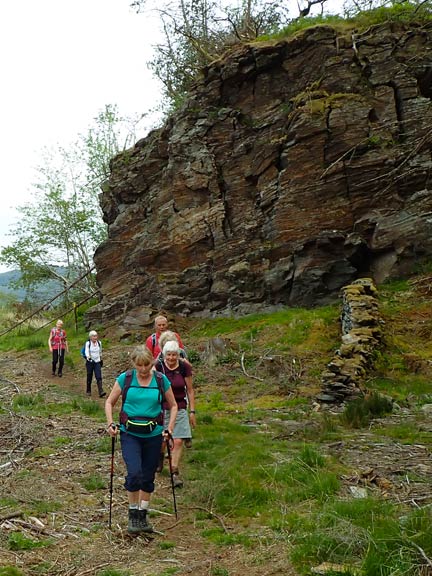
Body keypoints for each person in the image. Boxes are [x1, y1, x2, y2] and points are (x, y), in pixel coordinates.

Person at [105, 345, 178, 534]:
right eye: (140, 366)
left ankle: (142, 514)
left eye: (147, 365)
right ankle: (132, 513)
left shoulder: (161, 381)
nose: (144, 370)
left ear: (152, 363)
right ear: (134, 364)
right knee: (134, 473)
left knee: (148, 475)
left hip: (154, 435)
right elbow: (109, 402)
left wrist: (169, 429)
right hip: (130, 434)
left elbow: (174, 405)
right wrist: (110, 423)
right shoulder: (125, 379)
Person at [155, 340, 196, 488]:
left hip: (179, 406)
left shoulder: (184, 367)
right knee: (163, 440)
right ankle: (159, 456)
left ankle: (174, 472)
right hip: (161, 407)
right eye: (169, 355)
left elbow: (190, 390)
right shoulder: (158, 366)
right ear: (164, 355)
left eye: (174, 355)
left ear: (178, 355)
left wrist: (192, 411)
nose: (171, 358)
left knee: (178, 441)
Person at [84, 330, 106, 398]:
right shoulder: (88, 343)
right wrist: (89, 357)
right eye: (94, 336)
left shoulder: (99, 343)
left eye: (96, 336)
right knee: (89, 375)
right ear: (90, 337)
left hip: (97, 362)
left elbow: (100, 351)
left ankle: (101, 391)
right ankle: (88, 390)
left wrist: (101, 359)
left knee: (98, 376)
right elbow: (86, 351)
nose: (95, 337)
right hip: (90, 362)